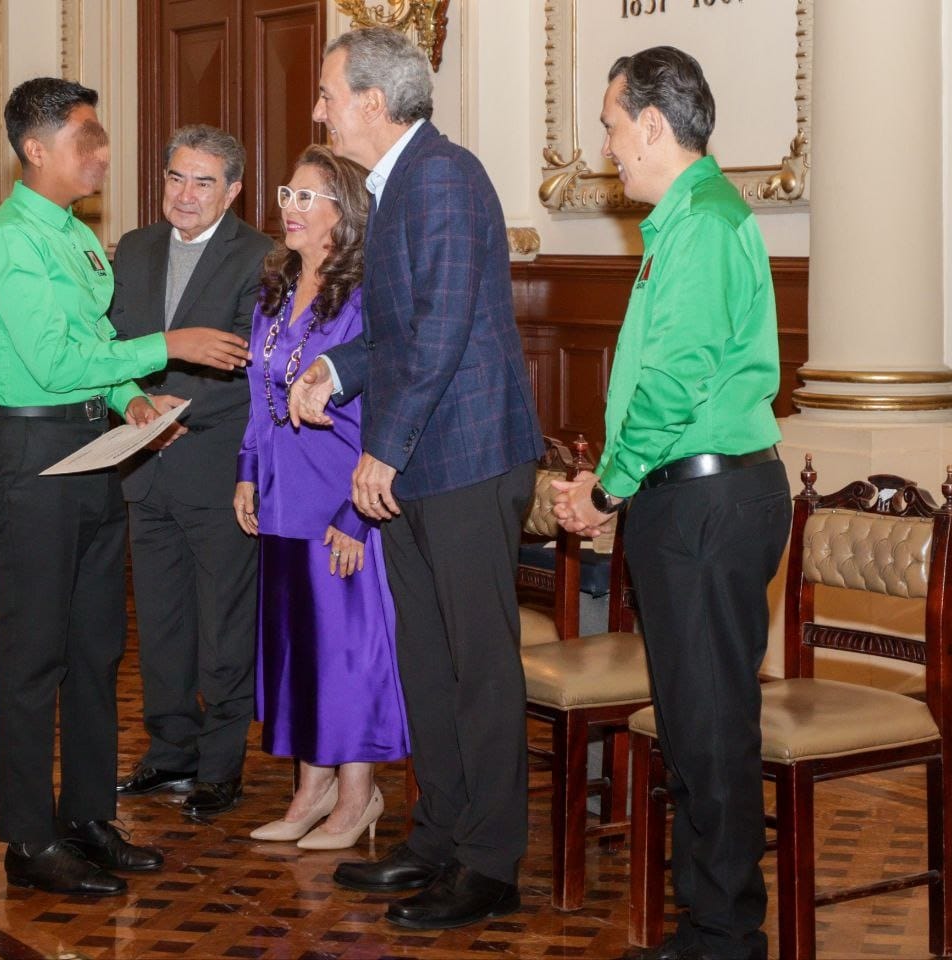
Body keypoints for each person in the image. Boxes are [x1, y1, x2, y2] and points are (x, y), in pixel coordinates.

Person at [0, 78, 251, 896]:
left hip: (92, 445)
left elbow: (91, 345)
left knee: (95, 650)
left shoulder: (77, 237)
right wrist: (171, 344)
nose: (104, 151)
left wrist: (131, 397)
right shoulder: (14, 243)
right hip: (28, 452)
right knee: (33, 658)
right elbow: (52, 364)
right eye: (87, 138)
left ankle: (87, 817)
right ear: (37, 149)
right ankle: (27, 839)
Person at [289, 27, 544, 930]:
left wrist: (381, 448)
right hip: (430, 458)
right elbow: (401, 331)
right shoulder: (401, 182)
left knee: (477, 666)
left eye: (328, 93)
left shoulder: (437, 175)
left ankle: (489, 861)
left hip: (467, 456)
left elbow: (438, 330)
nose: (318, 109)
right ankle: (438, 835)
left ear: (373, 99)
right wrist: (337, 371)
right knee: (427, 663)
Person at [552, 47, 791, 960]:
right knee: (696, 721)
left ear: (653, 123)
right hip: (688, 496)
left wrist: (613, 482)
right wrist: (622, 481)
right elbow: (659, 388)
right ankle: (712, 922)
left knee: (710, 725)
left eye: (612, 126)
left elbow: (675, 381)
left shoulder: (699, 224)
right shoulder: (689, 221)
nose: (607, 147)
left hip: (707, 501)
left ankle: (728, 936)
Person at [235, 145, 409, 850]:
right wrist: (248, 469)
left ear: (347, 213)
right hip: (281, 496)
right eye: (288, 193)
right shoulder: (274, 290)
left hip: (342, 500)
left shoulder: (367, 299)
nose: (290, 207)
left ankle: (358, 796)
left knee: (347, 653)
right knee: (298, 648)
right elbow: (258, 392)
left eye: (308, 197)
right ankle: (311, 788)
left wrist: (354, 516)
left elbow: (381, 412)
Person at [111, 125, 273, 818]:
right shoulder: (135, 248)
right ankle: (168, 753)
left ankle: (219, 765)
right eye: (176, 177)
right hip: (143, 465)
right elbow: (115, 346)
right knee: (163, 620)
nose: (185, 193)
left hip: (216, 466)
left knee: (224, 628)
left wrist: (166, 409)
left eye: (203, 181)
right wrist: (135, 404)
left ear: (233, 190)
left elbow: (250, 368)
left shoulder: (261, 258)